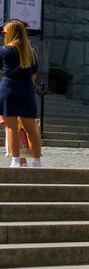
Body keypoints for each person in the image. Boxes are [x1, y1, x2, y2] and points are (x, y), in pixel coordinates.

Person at [0, 20, 42, 168]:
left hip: (8, 89)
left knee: (11, 127)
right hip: (27, 91)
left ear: (10, 33)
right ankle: (37, 162)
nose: (3, 34)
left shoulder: (3, 51)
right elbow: (33, 77)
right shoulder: (32, 52)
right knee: (31, 128)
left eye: (4, 32)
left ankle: (15, 161)